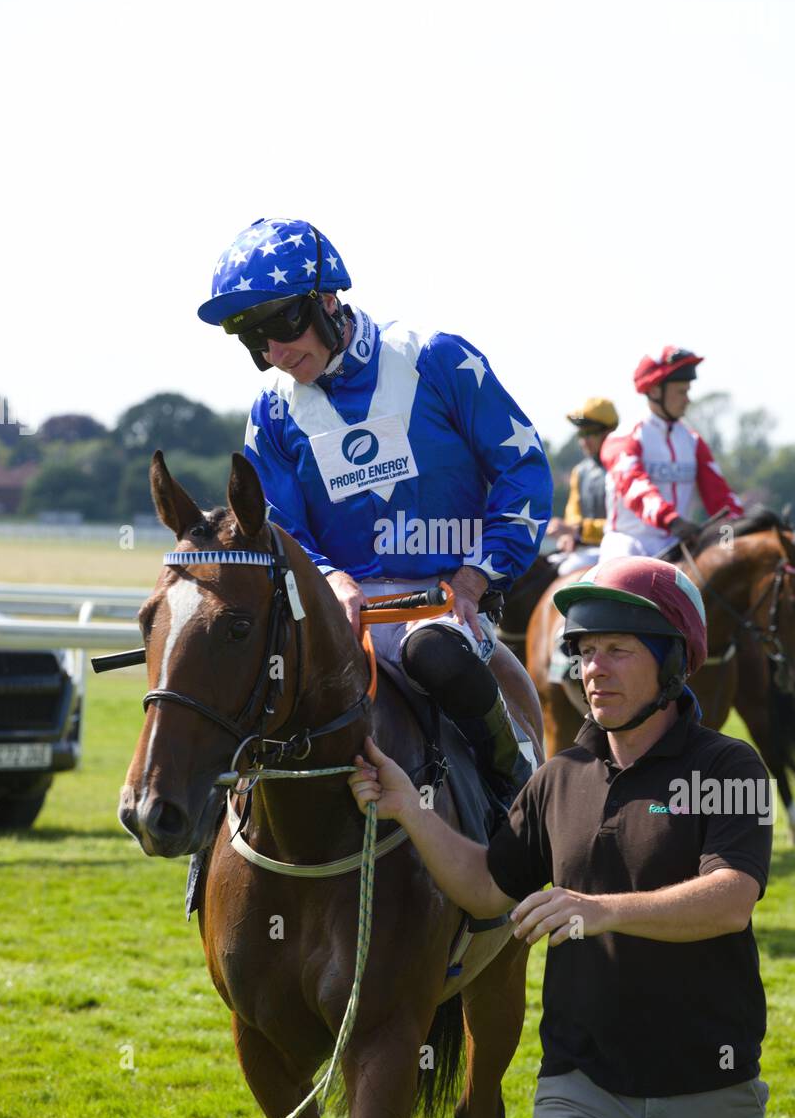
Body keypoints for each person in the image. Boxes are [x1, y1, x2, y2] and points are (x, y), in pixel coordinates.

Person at [347, 557, 772, 1118]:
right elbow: (486, 885)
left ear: (675, 662)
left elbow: (732, 899)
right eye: (586, 650)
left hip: (710, 1086)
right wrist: (410, 809)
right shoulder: (557, 777)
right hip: (580, 1092)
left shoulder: (731, 768)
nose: (593, 669)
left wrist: (601, 909)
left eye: (618, 651)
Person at [197, 216, 553, 802]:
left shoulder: (436, 359)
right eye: (255, 341)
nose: (275, 354)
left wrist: (475, 574)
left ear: (327, 301)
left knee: (436, 653)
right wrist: (332, 579)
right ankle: (209, 837)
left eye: (280, 329)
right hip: (332, 613)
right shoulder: (272, 411)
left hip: (440, 605)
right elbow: (275, 523)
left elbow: (523, 468)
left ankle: (520, 799)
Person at [598, 347, 743, 560]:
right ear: (655, 391)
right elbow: (634, 486)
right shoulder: (623, 438)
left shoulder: (693, 441)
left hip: (677, 543)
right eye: (681, 392)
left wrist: (731, 541)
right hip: (629, 543)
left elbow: (720, 499)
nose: (688, 399)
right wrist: (672, 520)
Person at [548, 397, 618, 575]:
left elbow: (623, 525)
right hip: (584, 551)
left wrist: (576, 530)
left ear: (610, 432)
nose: (584, 441)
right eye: (581, 433)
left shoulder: (623, 469)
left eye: (591, 433)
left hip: (618, 550)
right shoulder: (579, 472)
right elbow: (573, 516)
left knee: (566, 571)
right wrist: (567, 534)